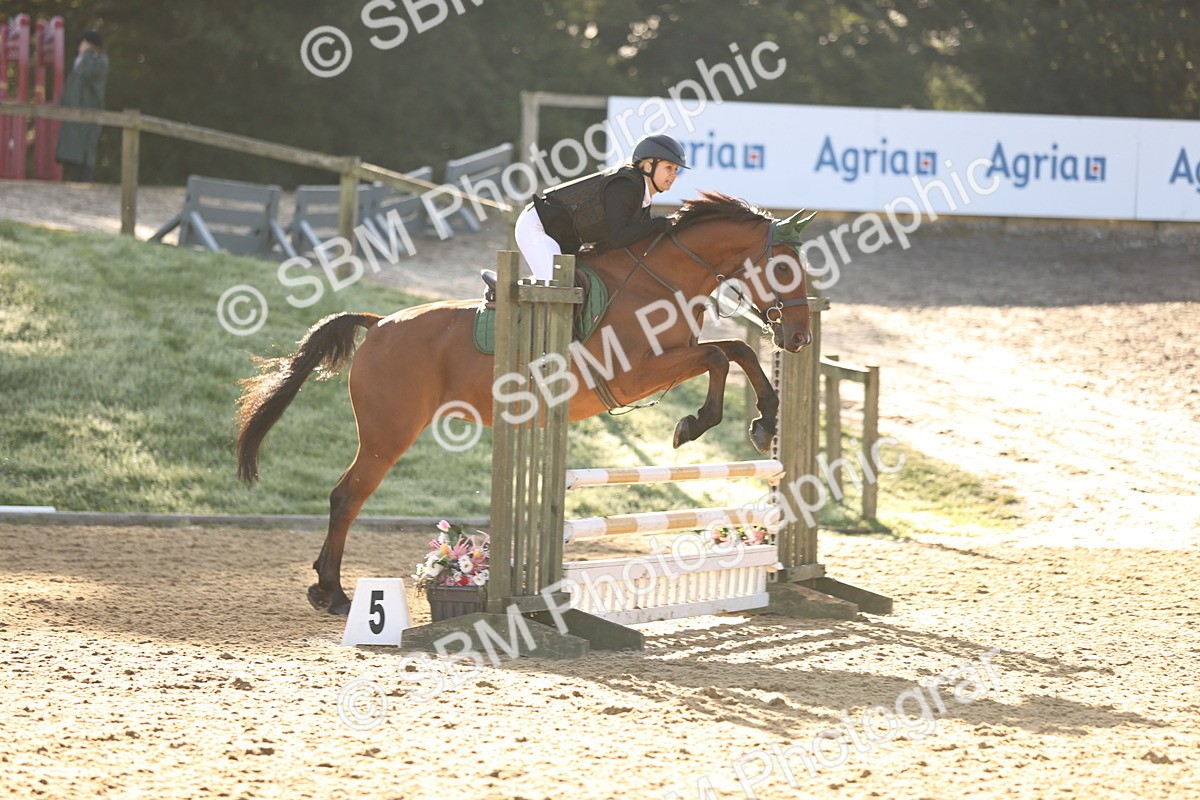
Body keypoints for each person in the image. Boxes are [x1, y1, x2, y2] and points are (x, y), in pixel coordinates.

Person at [514, 133, 688, 282]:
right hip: (539, 226)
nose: (673, 175)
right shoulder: (626, 186)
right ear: (649, 166)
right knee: (557, 289)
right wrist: (659, 224)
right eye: (669, 167)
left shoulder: (642, 197)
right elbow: (618, 237)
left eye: (676, 169)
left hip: (564, 237)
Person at [55, 30, 109, 183]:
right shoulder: (81, 60)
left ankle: (85, 182)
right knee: (72, 155)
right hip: (74, 112)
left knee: (85, 153)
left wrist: (86, 53)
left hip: (89, 112)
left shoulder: (100, 60)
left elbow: (89, 74)